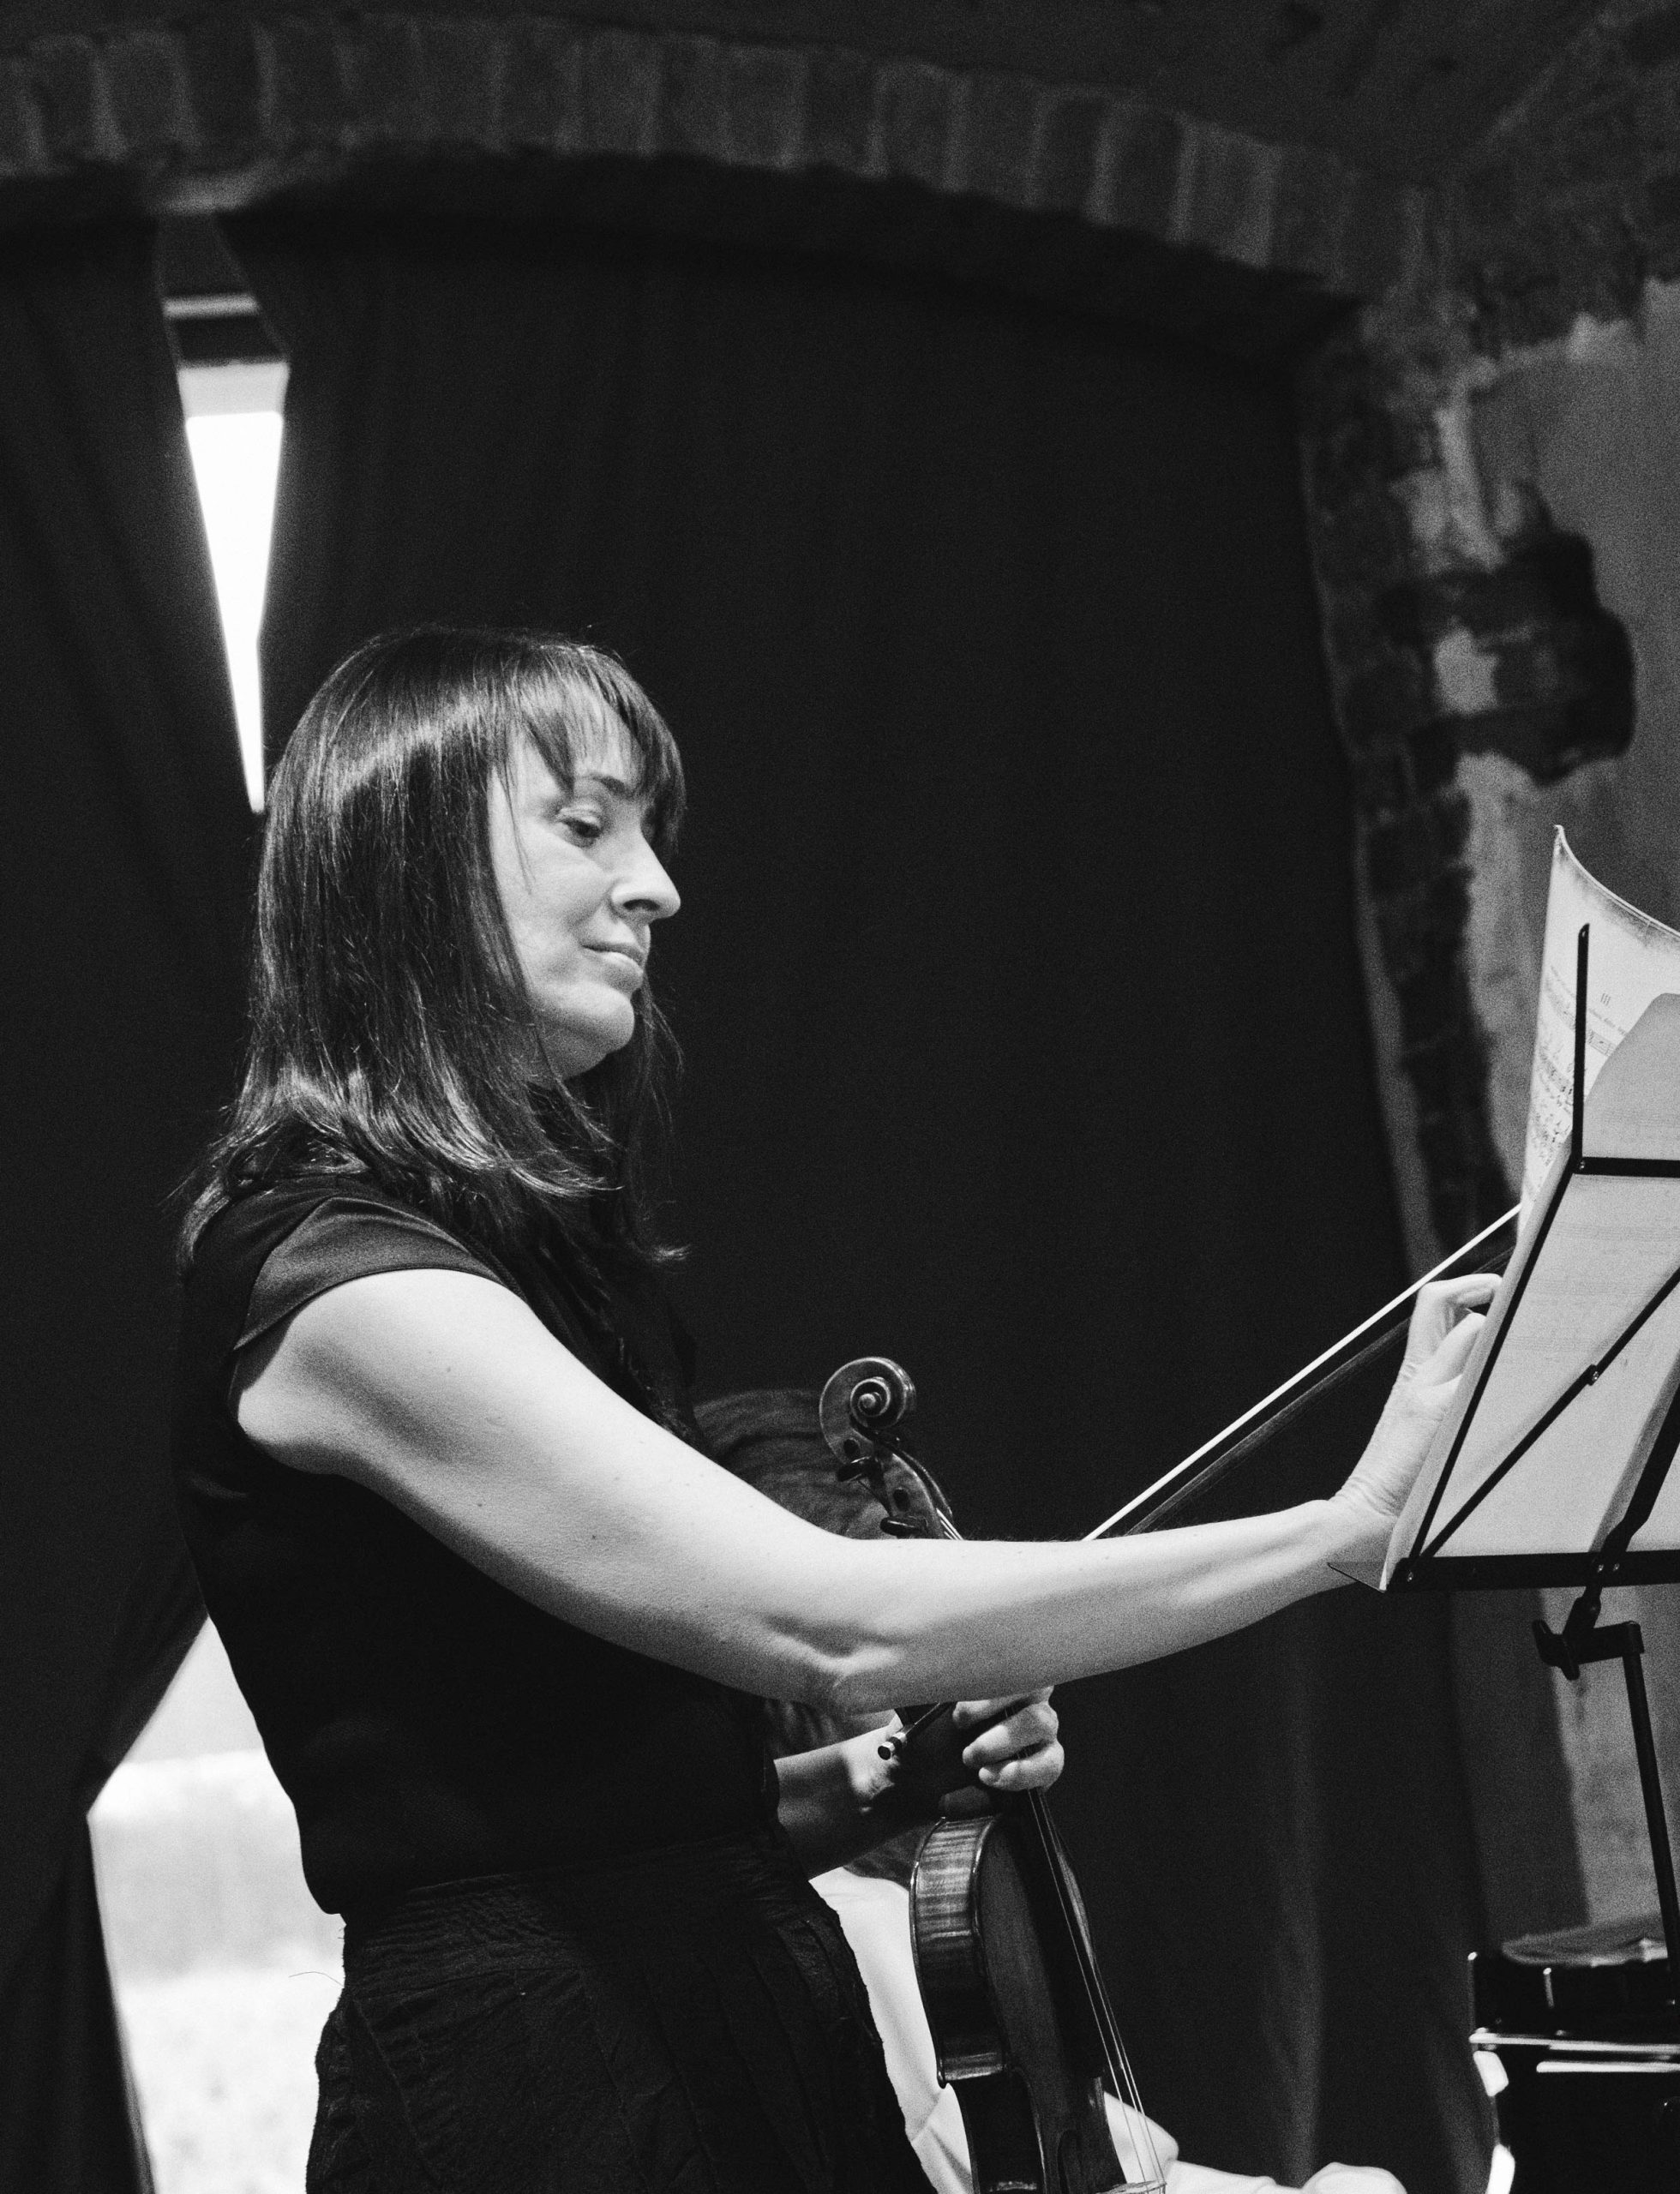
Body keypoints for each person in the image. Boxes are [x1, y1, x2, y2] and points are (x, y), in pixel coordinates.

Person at [171, 626, 1492, 2193]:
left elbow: (617, 1824)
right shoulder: (332, 1282)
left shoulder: (520, 1262)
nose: (656, 887)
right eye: (587, 825)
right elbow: (834, 1627)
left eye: (647, 832)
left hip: (731, 2030)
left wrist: (884, 1782)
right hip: (543, 2098)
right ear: (407, 856)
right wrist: (1339, 1534)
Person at [698, 1388, 1406, 2194]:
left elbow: (1109, 2168)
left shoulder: (901, 1876)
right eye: (915, 1628)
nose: (949, 1655)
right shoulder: (859, 1924)